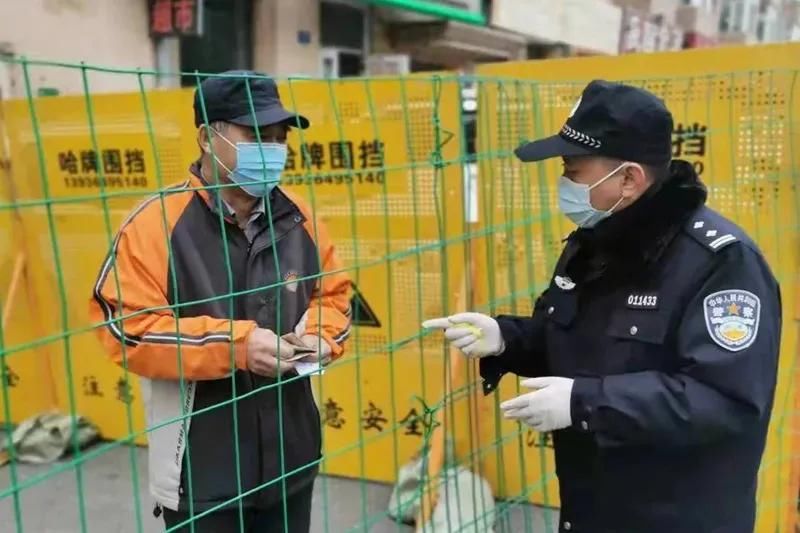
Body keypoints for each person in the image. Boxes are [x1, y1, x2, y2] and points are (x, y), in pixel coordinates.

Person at [423, 80, 781, 532]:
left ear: (629, 178)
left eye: (573, 170)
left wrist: (585, 402)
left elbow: (723, 399)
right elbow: (574, 337)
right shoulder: (595, 243)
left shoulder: (720, 262)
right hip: (591, 510)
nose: (564, 182)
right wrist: (503, 338)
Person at [89, 70, 352, 533]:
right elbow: (127, 330)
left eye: (279, 137)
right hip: (200, 472)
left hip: (291, 462)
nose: (273, 150)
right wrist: (236, 346)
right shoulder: (153, 226)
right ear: (207, 139)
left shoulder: (300, 218)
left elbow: (333, 298)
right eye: (256, 136)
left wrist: (320, 337)